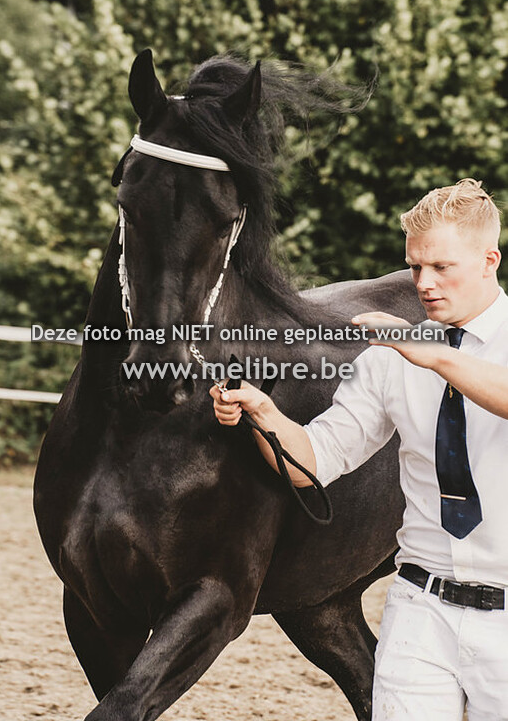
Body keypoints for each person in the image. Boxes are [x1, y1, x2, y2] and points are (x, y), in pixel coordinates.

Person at [210, 179, 508, 720]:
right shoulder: (391, 358)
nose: (424, 283)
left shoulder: (419, 350)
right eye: (416, 267)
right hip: (420, 611)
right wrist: (263, 413)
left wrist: (433, 354)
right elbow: (315, 460)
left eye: (442, 267)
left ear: (490, 260)